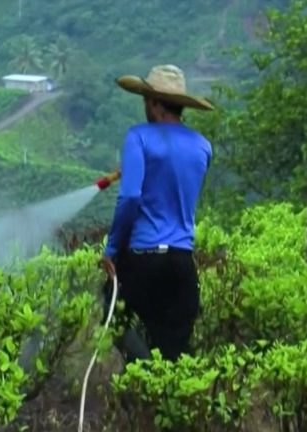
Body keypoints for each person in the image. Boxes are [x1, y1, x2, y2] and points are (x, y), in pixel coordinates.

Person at [99, 64, 214, 363]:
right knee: (174, 353)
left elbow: (131, 197)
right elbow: (173, 185)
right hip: (181, 264)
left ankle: (142, 372)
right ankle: (156, 392)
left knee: (112, 311)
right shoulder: (203, 147)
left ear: (153, 102)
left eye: (145, 100)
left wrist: (111, 250)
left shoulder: (139, 136)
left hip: (143, 262)